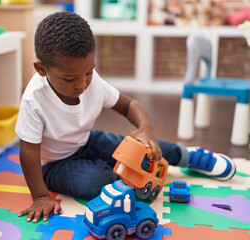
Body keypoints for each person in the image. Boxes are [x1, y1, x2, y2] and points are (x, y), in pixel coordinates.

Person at [15, 11, 236, 223]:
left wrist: (146, 129)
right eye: (70, 78)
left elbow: (129, 105)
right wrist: (41, 197)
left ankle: (190, 157)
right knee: (96, 182)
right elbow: (28, 152)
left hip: (87, 140)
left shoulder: (92, 83)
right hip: (54, 164)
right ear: (41, 69)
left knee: (145, 147)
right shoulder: (33, 100)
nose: (81, 84)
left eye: (89, 72)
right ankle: (126, 183)